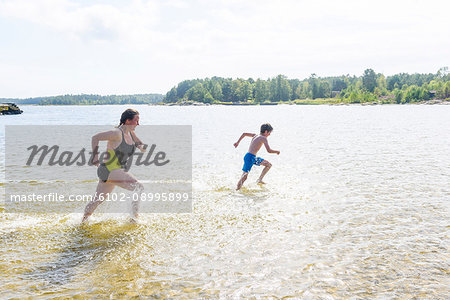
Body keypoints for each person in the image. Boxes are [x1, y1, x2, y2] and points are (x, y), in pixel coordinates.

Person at [82, 109, 146, 223]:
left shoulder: (131, 133)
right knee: (138, 187)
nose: (138, 124)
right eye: (136, 121)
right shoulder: (117, 133)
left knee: (98, 199)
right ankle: (134, 219)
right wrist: (95, 157)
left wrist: (142, 147)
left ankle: (83, 221)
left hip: (109, 171)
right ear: (127, 120)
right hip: (110, 169)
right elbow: (95, 137)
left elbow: (141, 145)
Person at [234, 123, 280, 190]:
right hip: (249, 158)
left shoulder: (255, 135)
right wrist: (277, 151)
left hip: (253, 158)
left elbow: (244, 134)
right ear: (266, 131)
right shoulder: (263, 138)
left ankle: (259, 180)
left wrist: (238, 142)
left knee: (268, 165)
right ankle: (236, 190)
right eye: (269, 133)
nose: (269, 134)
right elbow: (269, 150)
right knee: (244, 177)